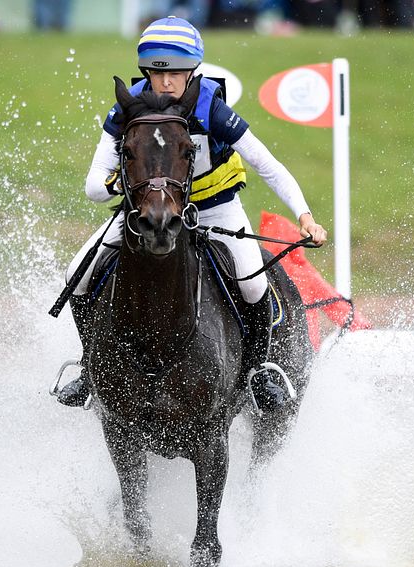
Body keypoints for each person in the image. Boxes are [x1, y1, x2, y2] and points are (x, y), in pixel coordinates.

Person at [58, 15, 327, 411]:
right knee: (75, 276)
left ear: (193, 71)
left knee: (253, 287)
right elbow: (93, 185)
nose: (166, 84)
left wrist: (304, 215)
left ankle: (258, 371)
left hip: (216, 212)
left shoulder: (211, 109)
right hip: (148, 214)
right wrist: (128, 187)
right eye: (157, 73)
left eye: (177, 74)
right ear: (145, 71)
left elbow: (268, 165)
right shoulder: (128, 109)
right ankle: (90, 367)